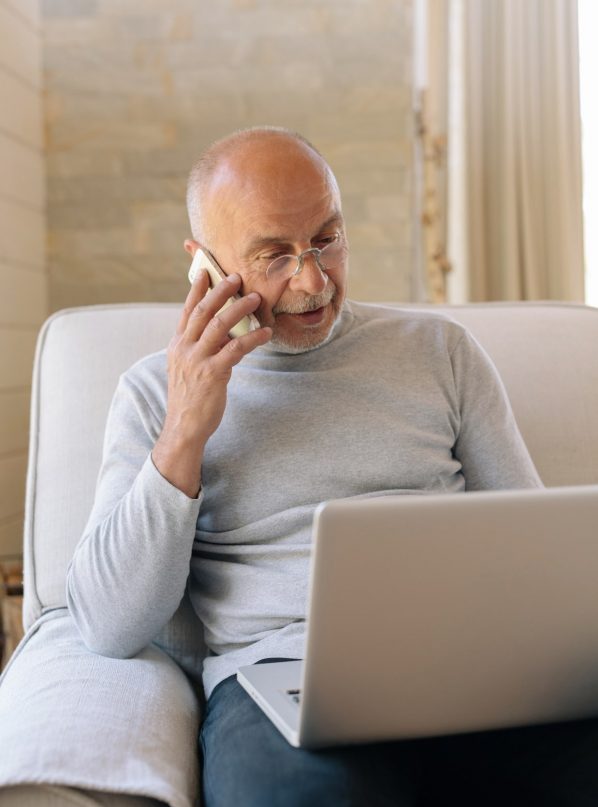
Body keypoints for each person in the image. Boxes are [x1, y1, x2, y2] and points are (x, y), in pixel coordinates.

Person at [66, 127, 597, 807]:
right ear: (202, 265)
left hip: (470, 677)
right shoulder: (153, 393)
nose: (313, 281)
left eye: (327, 239)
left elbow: (538, 550)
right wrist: (184, 434)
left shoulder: (440, 352)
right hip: (282, 693)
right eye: (274, 256)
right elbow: (108, 623)